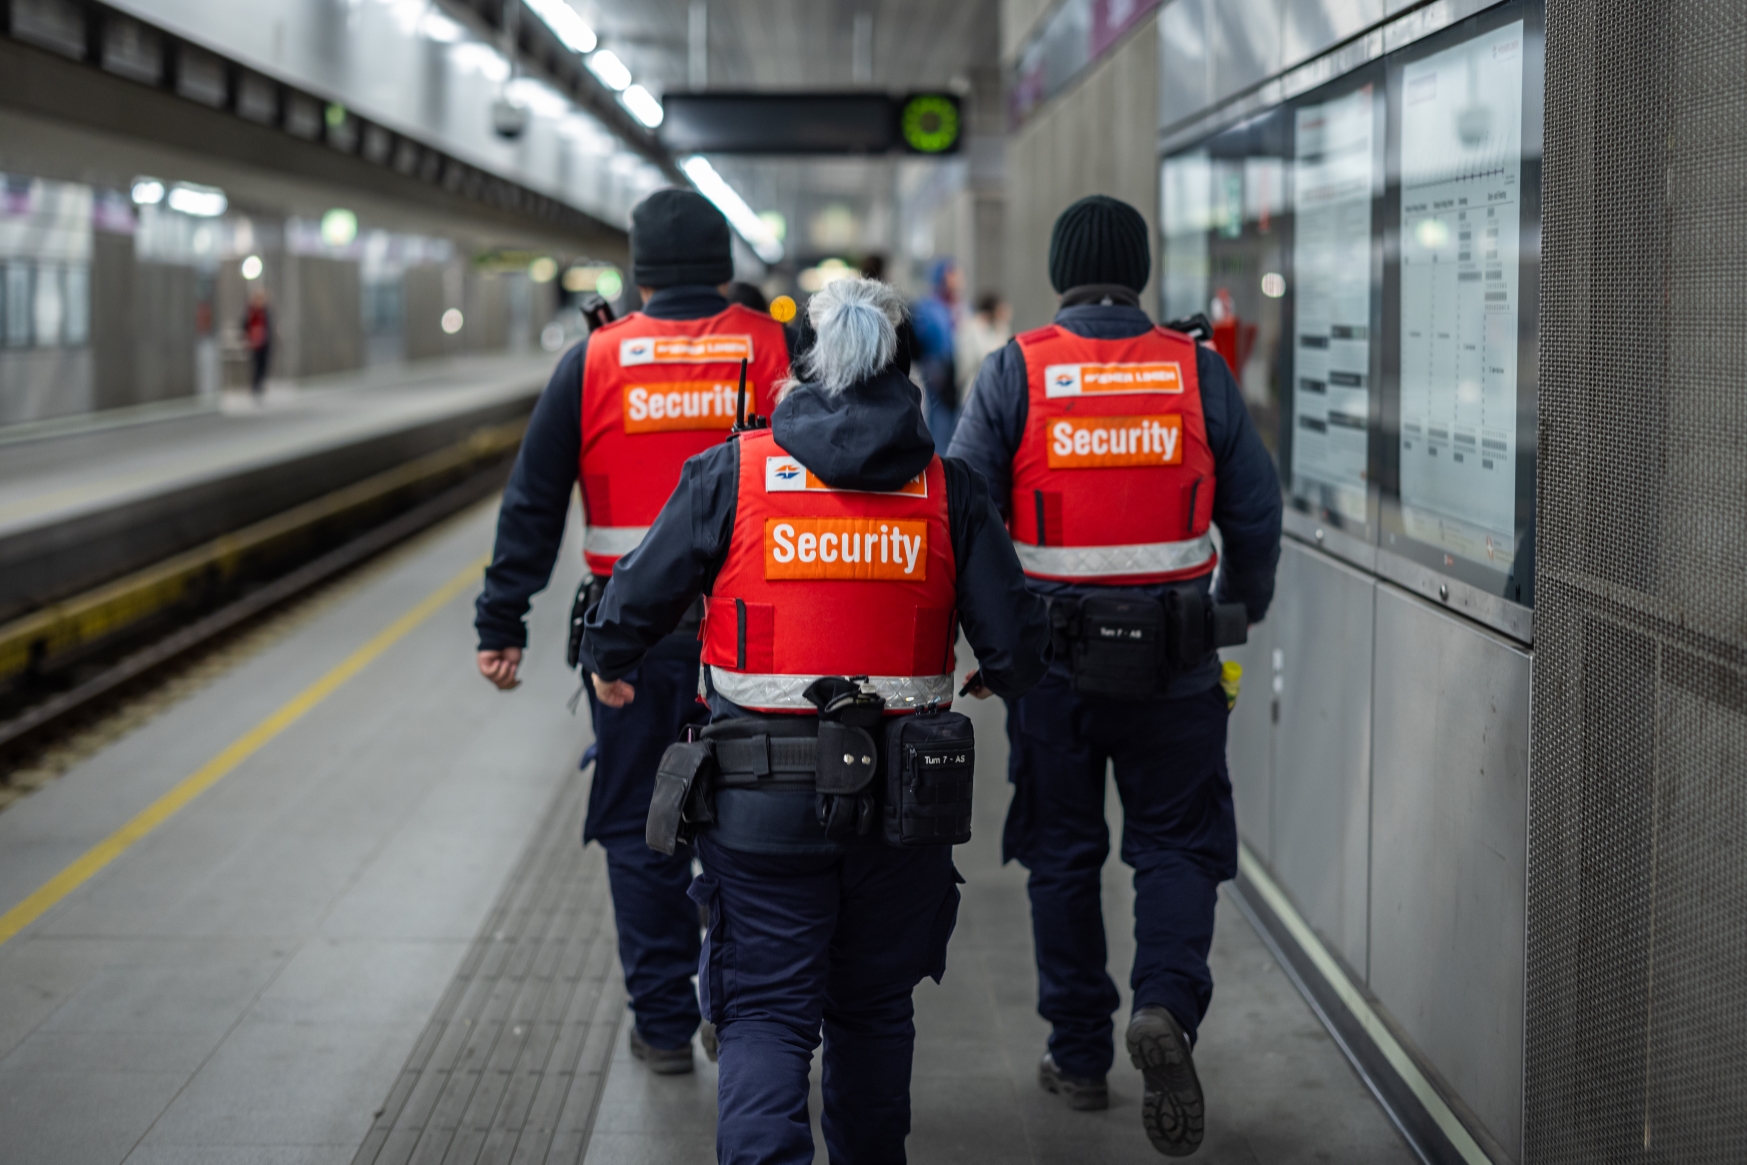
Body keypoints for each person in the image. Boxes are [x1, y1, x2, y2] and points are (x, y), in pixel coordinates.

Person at [579, 276, 1051, 1164]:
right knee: (872, 1012)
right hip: (901, 811)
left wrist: (606, 662)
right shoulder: (949, 490)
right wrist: (991, 672)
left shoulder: (734, 471)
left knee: (763, 1013)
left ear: (801, 372)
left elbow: (635, 596)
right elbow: (1018, 648)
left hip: (759, 809)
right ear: (905, 374)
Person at [948, 194, 1282, 1157]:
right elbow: (1254, 512)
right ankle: (1167, 1009)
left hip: (1053, 670)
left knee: (1062, 855)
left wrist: (991, 642)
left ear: (1061, 272)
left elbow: (962, 512)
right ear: (1137, 272)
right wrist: (1239, 605)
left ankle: (1080, 1054)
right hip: (1177, 664)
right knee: (1175, 846)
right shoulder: (1198, 372)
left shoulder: (1015, 371)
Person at [474, 188, 791, 1075]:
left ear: (640, 268)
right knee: (752, 821)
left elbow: (533, 502)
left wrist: (503, 619)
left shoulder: (596, 359)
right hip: (757, 638)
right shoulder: (774, 347)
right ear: (722, 262)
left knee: (637, 824)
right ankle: (734, 1004)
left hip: (629, 646)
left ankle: (660, 1022)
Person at [910, 257, 964, 452]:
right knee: (940, 419)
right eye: (952, 274)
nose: (958, 278)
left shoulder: (961, 308)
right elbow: (925, 339)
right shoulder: (928, 307)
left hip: (960, 371)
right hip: (937, 369)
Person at [954, 291, 1011, 411]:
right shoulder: (973, 327)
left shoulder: (1000, 329)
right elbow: (981, 355)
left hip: (994, 393)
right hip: (973, 390)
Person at [243, 285, 271, 400]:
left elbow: (269, 327)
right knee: (255, 364)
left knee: (263, 364)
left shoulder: (265, 312)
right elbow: (245, 326)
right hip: (254, 343)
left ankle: (261, 383)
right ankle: (255, 385)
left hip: (264, 342)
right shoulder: (251, 312)